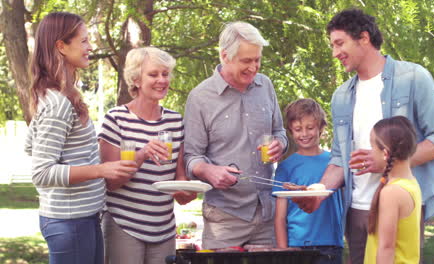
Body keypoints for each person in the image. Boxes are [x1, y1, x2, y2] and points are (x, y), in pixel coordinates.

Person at [292, 8, 434, 264]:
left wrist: (389, 162)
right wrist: (318, 192)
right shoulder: (341, 96)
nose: (335, 53)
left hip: (400, 208)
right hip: (357, 211)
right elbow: (338, 158)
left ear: (364, 38)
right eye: (332, 45)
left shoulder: (413, 78)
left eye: (339, 43)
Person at [24, 12, 137, 264]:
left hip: (81, 218)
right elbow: (41, 172)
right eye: (84, 41)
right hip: (69, 222)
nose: (90, 46)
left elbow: (31, 143)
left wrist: (87, 149)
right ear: (61, 46)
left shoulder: (61, 96)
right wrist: (100, 169)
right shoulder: (57, 103)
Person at [183, 21, 288, 249]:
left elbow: (280, 131)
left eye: (257, 60)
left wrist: (280, 144)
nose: (254, 67)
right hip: (224, 218)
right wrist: (209, 171)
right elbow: (191, 157)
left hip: (267, 215)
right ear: (225, 56)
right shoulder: (200, 97)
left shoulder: (266, 86)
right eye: (246, 61)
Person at [98, 47, 197, 264]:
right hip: (124, 225)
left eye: (165, 74)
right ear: (135, 80)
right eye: (153, 74)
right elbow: (111, 183)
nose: (162, 80)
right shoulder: (116, 119)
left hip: (163, 228)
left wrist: (190, 190)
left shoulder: (175, 121)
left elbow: (179, 183)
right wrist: (142, 154)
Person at [273, 99, 343, 263]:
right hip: (297, 245)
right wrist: (284, 250)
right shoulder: (285, 167)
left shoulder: (335, 163)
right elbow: (280, 217)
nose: (304, 134)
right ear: (290, 131)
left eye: (310, 128)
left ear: (321, 128)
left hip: (331, 245)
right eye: (298, 129)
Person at [364, 116, 422, 263]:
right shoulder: (411, 183)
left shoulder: (391, 192)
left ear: (385, 154)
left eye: (372, 147)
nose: (371, 152)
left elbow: (386, 247)